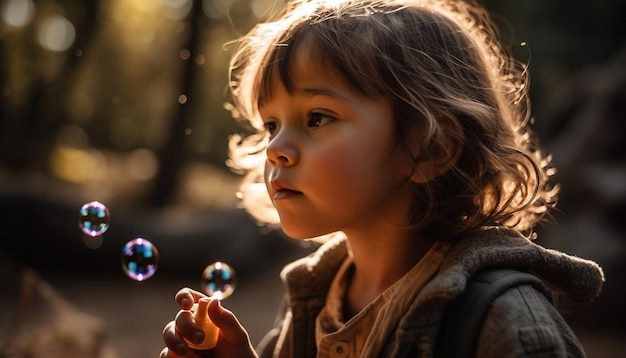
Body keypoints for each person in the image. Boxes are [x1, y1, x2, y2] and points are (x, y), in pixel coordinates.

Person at [160, 0, 604, 357]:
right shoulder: (314, 299)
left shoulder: (501, 320)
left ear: (430, 148)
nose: (275, 148)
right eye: (271, 124)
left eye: (317, 117)